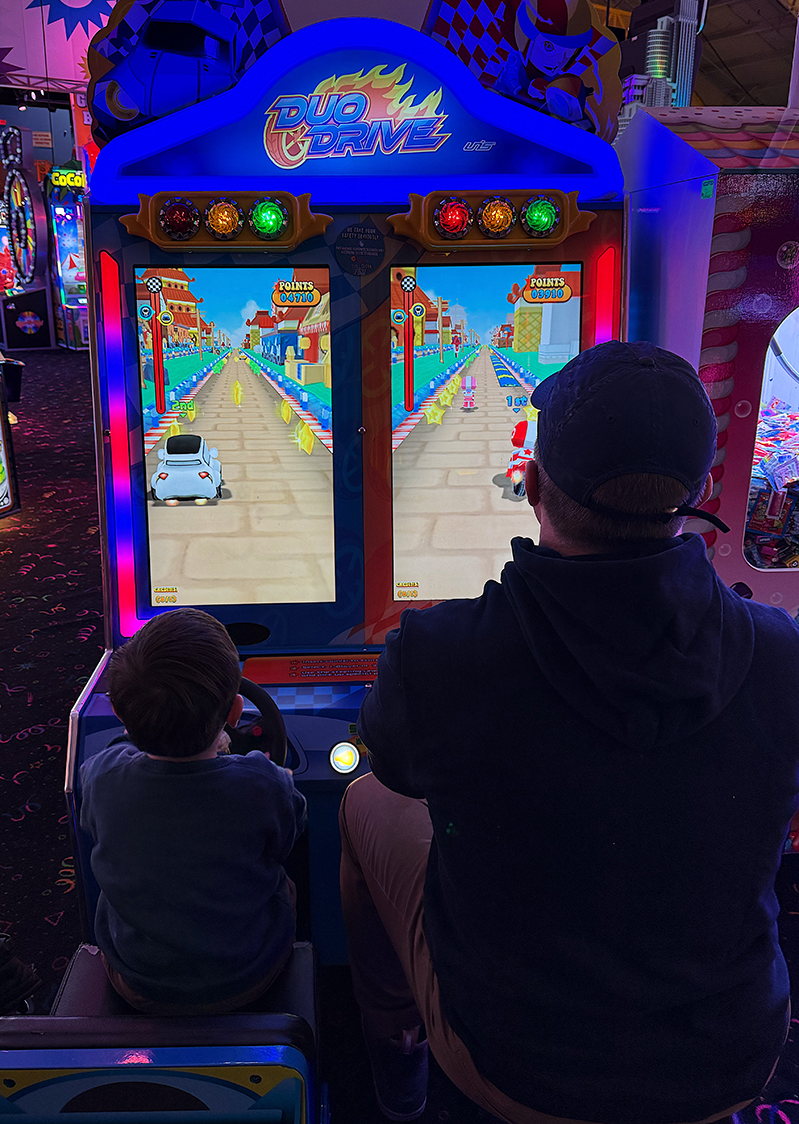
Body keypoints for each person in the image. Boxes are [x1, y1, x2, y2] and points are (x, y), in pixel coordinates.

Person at [340, 341, 799, 1124]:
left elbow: (398, 767)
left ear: (531, 484)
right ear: (703, 489)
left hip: (518, 1063)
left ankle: (398, 1048)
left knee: (361, 798)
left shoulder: (439, 654)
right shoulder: (782, 652)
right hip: (723, 1055)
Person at [80, 608, 306, 1015]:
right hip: (245, 979)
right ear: (235, 713)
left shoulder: (100, 776)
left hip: (138, 979)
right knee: (287, 886)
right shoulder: (264, 782)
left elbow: (111, 771)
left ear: (118, 712)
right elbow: (289, 835)